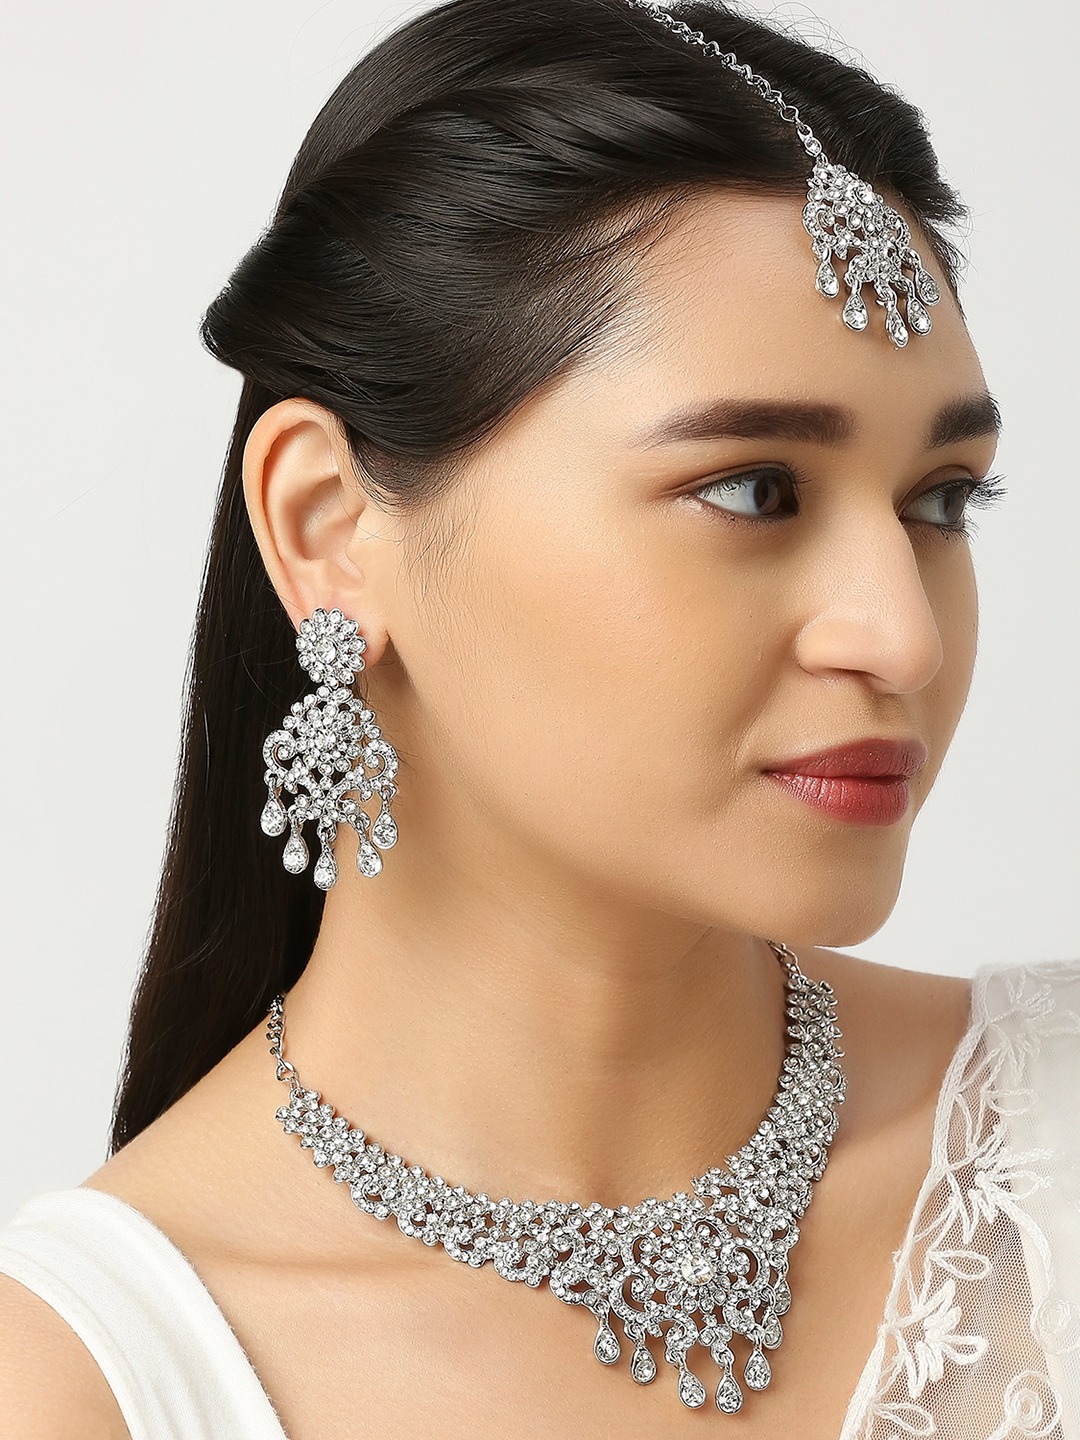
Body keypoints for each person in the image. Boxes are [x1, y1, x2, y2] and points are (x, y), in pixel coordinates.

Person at [2, 0, 1077, 1434]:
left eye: (940, 501)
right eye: (755, 489)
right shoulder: (84, 1388)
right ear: (330, 530)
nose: (904, 636)